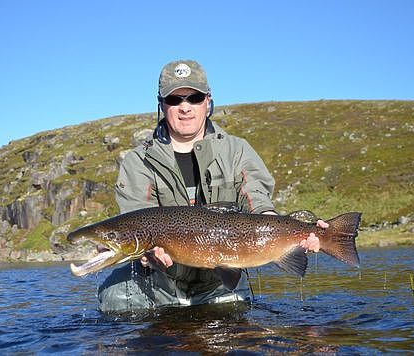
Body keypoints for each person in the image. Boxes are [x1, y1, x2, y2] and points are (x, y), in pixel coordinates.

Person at [97, 59, 326, 313]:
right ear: (161, 105)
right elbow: (138, 220)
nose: (185, 107)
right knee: (113, 295)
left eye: (193, 97)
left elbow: (258, 202)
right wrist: (147, 254)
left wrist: (300, 234)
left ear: (208, 101)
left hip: (222, 283)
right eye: (174, 100)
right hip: (159, 281)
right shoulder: (138, 161)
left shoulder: (236, 150)